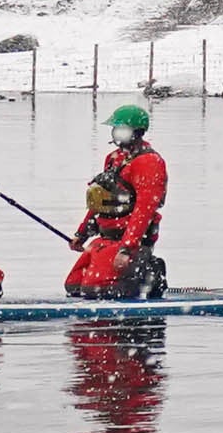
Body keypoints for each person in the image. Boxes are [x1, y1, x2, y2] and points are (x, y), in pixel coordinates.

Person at [64, 103, 168, 299]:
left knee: (96, 289)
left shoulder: (149, 162)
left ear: (137, 132)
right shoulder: (113, 158)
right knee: (74, 284)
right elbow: (101, 201)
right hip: (105, 239)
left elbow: (144, 210)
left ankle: (145, 274)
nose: (117, 133)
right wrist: (82, 233)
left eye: (122, 129)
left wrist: (127, 249)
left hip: (126, 241)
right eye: (116, 129)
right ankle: (135, 275)